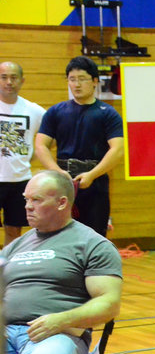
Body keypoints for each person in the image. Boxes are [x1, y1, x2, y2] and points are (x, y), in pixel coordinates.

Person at [3, 170, 123, 354]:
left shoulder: (92, 245)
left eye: (36, 200)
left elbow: (109, 303)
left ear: (61, 203)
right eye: (26, 199)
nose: (28, 206)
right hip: (6, 332)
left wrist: (61, 320)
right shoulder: (16, 246)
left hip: (57, 334)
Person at [35, 56, 124, 237]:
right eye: (72, 79)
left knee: (94, 236)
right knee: (58, 234)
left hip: (95, 182)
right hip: (62, 182)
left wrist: (92, 175)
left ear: (95, 81)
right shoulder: (55, 112)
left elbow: (117, 149)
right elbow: (41, 145)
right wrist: (57, 172)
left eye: (82, 79)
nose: (76, 84)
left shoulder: (108, 114)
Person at [0, 61, 45, 246]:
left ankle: (8, 263)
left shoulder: (34, 110)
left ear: (22, 81)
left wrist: (32, 155)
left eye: (14, 77)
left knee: (14, 230)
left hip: (20, 180)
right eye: (4, 77)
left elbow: (49, 138)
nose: (9, 82)